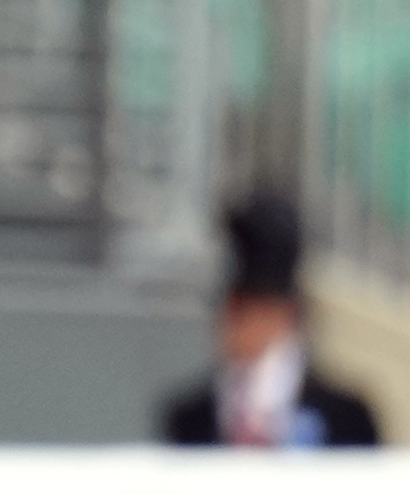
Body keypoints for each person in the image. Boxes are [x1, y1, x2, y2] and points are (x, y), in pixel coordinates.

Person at [158, 191, 380, 450]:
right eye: (232, 310)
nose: (237, 325)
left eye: (253, 309)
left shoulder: (345, 416)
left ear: (286, 313)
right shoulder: (190, 419)